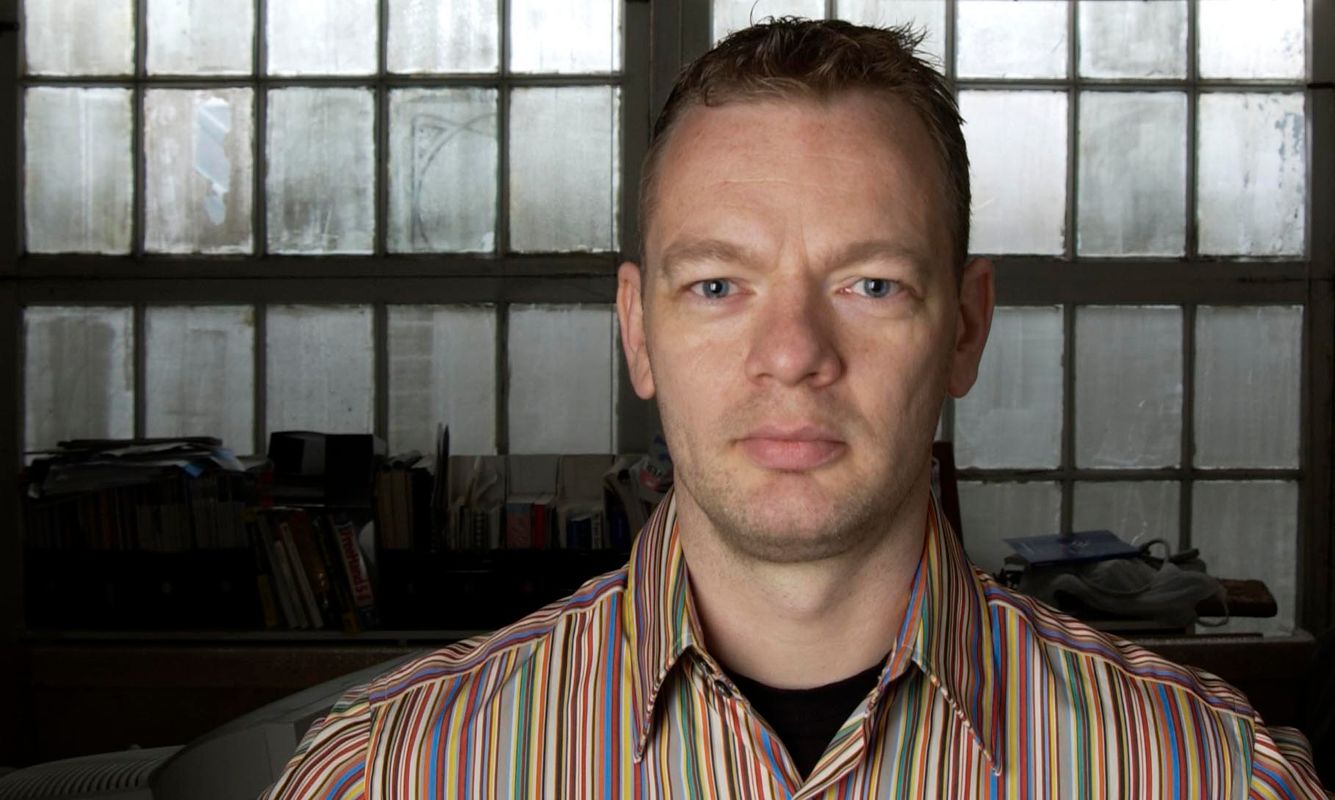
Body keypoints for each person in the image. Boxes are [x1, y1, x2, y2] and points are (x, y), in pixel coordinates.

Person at [264, 18, 1327, 798]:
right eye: (716, 285)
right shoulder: (383, 774)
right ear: (637, 329)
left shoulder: (1210, 775)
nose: (792, 355)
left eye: (871, 283)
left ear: (964, 326)